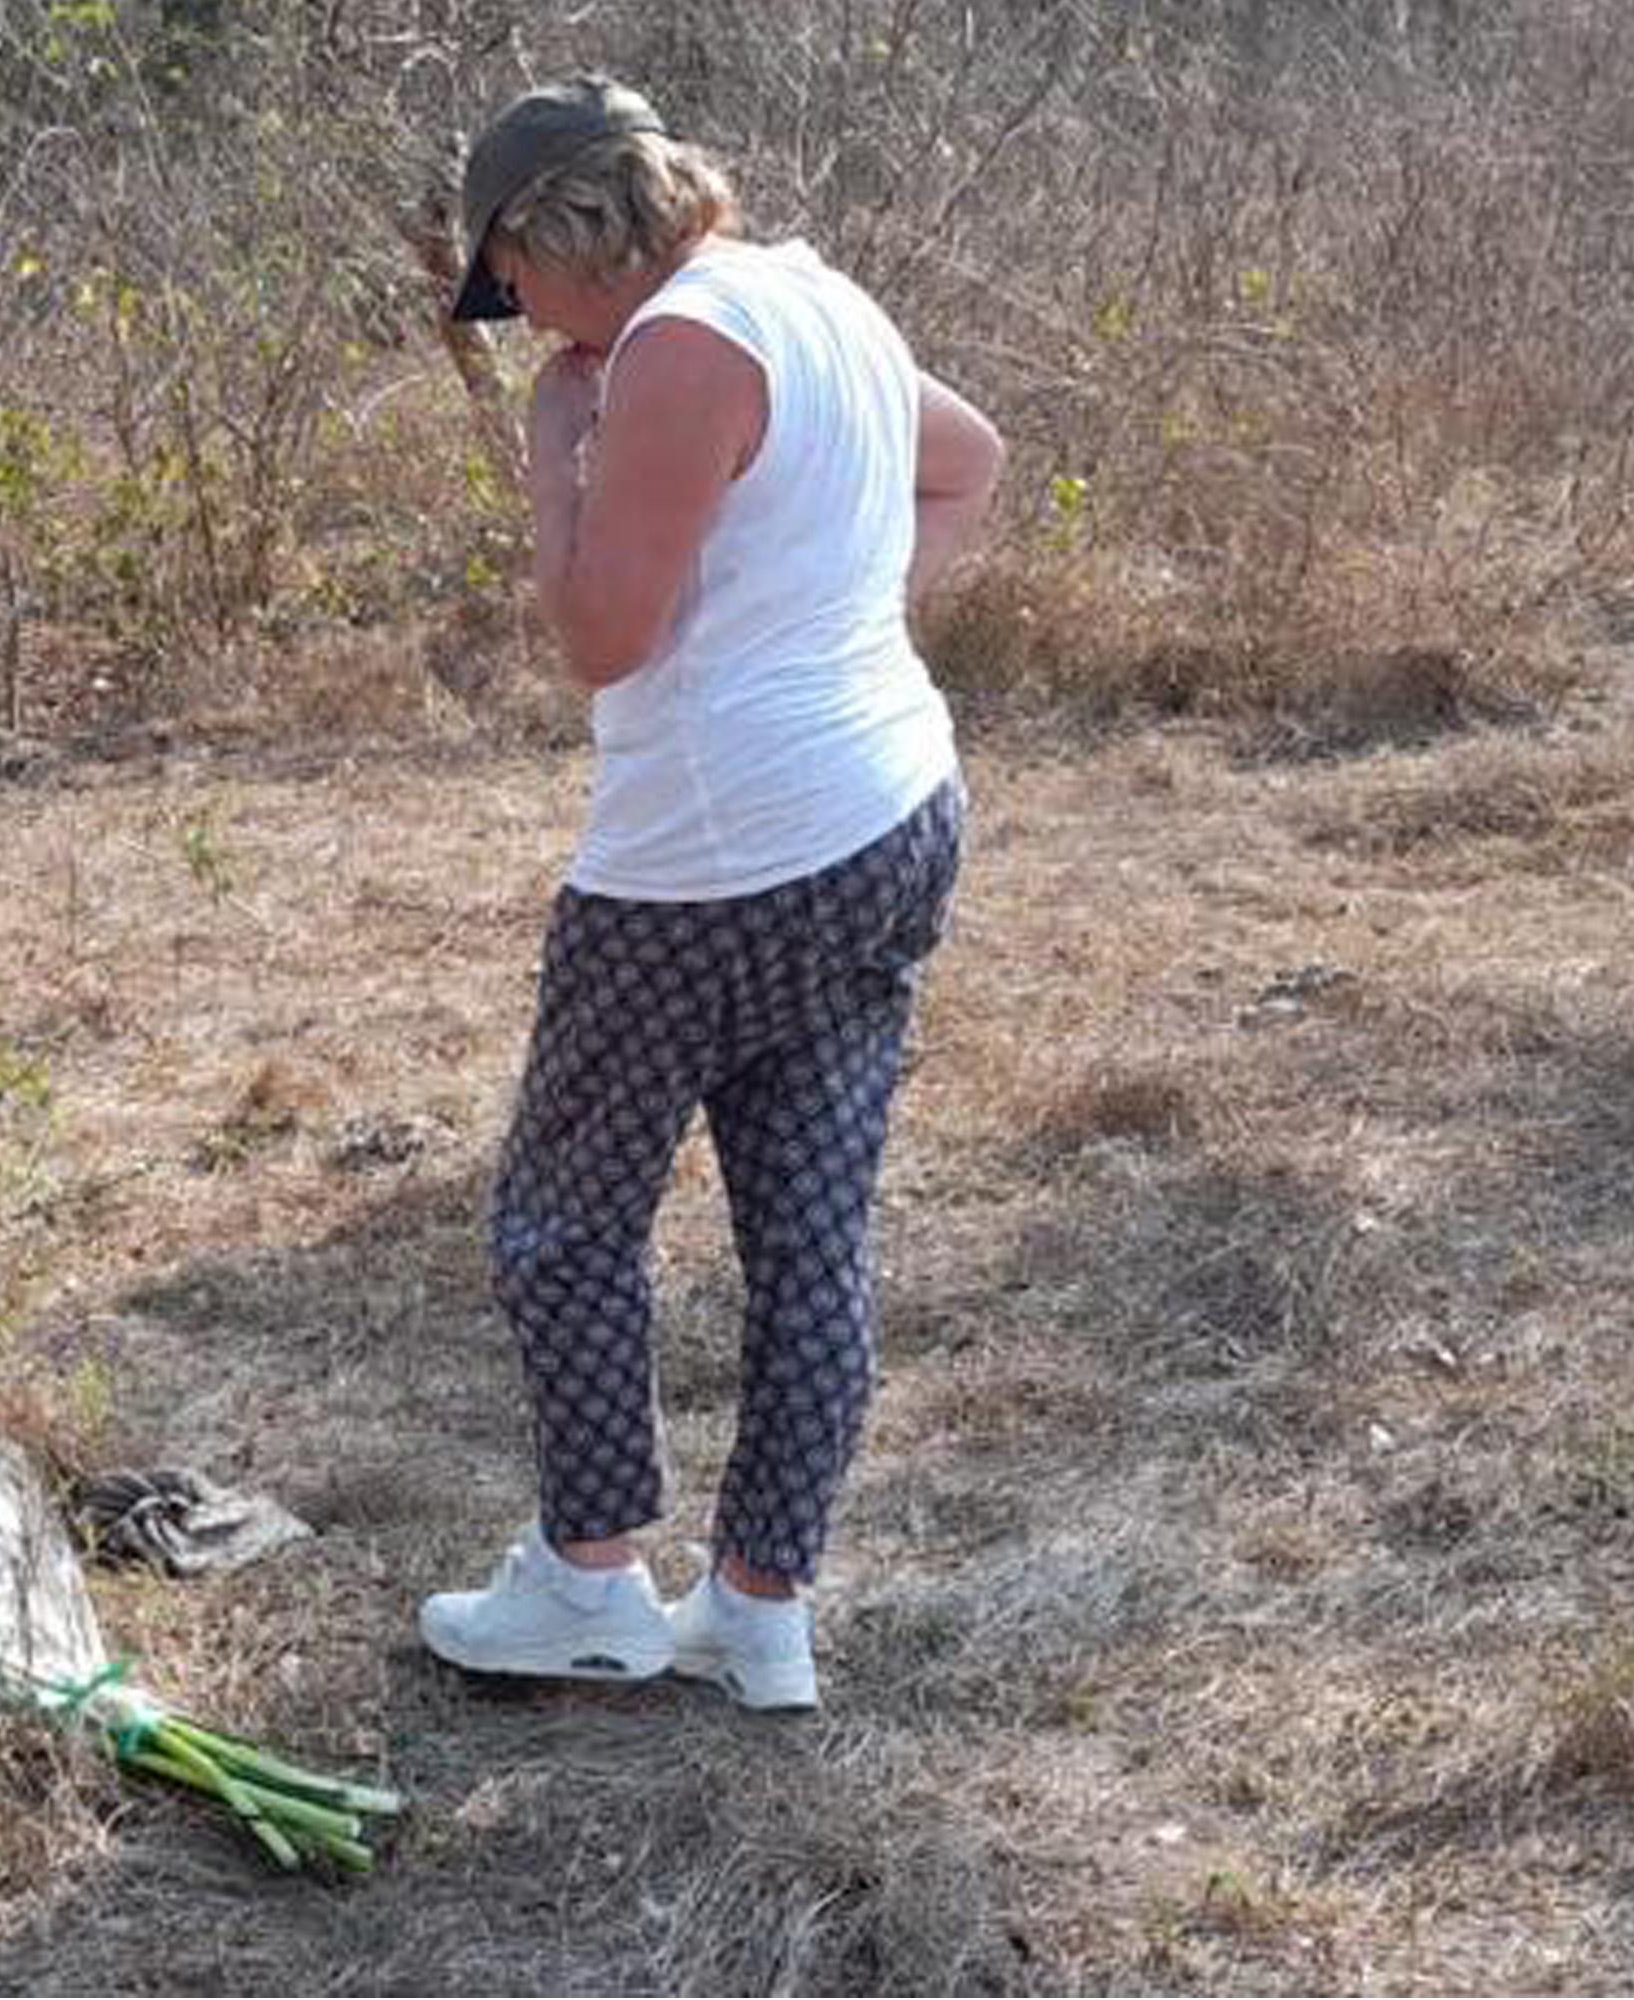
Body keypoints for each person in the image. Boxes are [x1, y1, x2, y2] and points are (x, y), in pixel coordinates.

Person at [416, 76, 1003, 1710]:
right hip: (886, 811)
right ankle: (760, 1613)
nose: (513, 316)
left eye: (506, 281)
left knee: (565, 1216)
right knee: (811, 1228)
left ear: (554, 234)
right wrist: (824, 638)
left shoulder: (675, 349)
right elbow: (967, 465)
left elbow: (604, 636)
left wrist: (554, 461)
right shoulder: (819, 298)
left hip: (708, 859)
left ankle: (589, 1581)